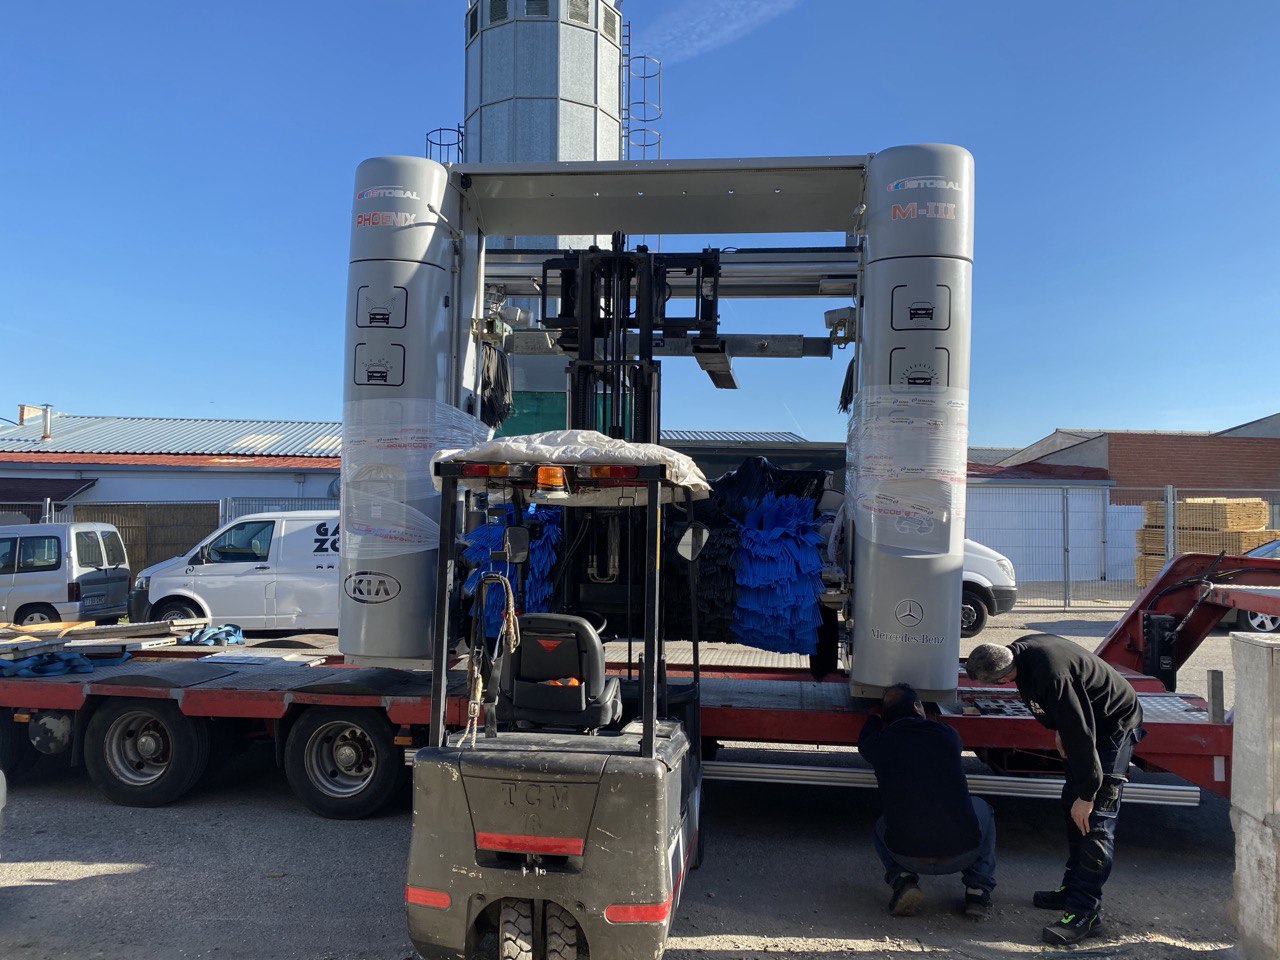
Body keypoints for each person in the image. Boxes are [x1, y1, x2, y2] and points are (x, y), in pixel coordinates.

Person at [966, 634, 1143, 946]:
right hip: (1085, 722)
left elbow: (1081, 730)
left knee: (1095, 822)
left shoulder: (1051, 673)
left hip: (1113, 722)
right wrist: (1060, 727)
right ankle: (1073, 887)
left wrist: (1088, 793)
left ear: (1006, 674)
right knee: (1070, 805)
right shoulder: (1018, 654)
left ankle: (1085, 912)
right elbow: (1070, 715)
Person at [857, 683, 997, 921]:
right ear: (916, 706)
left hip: (905, 853)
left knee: (882, 824)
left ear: (886, 717)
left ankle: (903, 881)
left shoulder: (879, 744)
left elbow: (865, 739)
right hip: (963, 852)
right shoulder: (947, 735)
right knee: (983, 809)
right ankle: (977, 891)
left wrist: (873, 717)